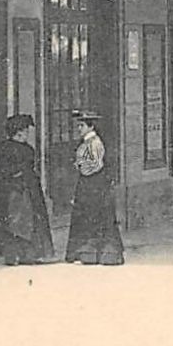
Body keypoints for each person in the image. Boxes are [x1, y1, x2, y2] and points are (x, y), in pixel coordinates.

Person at [0, 113, 53, 265]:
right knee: (15, 222)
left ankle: (28, 255)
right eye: (25, 130)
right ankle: (13, 255)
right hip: (13, 191)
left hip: (30, 189)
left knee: (32, 222)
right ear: (18, 132)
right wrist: (16, 175)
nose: (27, 134)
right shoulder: (4, 149)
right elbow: (0, 170)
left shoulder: (28, 149)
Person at [65, 110, 124, 265]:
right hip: (87, 184)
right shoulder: (86, 142)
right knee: (87, 216)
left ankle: (100, 252)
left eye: (81, 126)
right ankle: (87, 252)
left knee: (96, 215)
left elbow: (96, 165)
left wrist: (80, 166)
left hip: (95, 184)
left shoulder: (95, 142)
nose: (79, 129)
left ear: (91, 127)